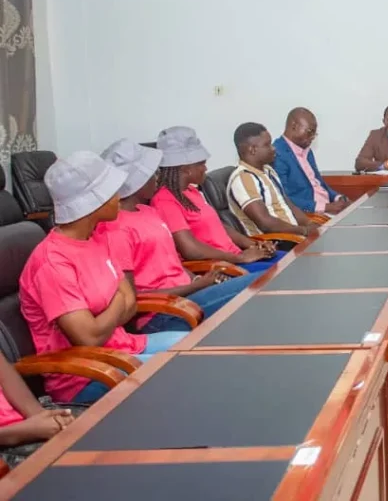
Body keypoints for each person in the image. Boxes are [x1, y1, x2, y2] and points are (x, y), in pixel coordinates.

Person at [18, 152, 189, 404]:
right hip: (86, 376)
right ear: (91, 202)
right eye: (112, 191)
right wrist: (118, 300)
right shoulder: (52, 262)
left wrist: (110, 311)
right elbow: (89, 337)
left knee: (202, 349)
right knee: (184, 371)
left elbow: (130, 305)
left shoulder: (97, 238)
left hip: (123, 348)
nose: (120, 196)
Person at [98, 139, 265, 333]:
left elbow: (173, 264)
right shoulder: (116, 229)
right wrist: (196, 286)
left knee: (263, 282)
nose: (157, 177)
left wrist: (197, 280)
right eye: (152, 173)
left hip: (187, 296)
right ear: (137, 182)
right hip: (163, 312)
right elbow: (132, 298)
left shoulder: (148, 211)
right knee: (260, 283)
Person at [150, 126, 283, 274]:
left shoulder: (192, 192)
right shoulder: (165, 201)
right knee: (281, 272)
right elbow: (191, 250)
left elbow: (220, 227)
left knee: (290, 261)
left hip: (236, 257)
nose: (205, 168)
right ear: (186, 169)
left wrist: (255, 245)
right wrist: (239, 258)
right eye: (201, 164)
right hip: (222, 266)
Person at [228, 122, 314, 238]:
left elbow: (288, 205)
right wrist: (304, 231)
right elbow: (265, 223)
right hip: (277, 242)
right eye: (267, 145)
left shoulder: (268, 170)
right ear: (252, 149)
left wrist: (311, 224)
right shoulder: (243, 179)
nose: (273, 148)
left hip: (295, 236)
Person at [0, 356, 78, 468]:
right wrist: (25, 431)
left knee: (89, 431)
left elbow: (5, 374)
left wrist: (40, 416)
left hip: (26, 420)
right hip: (7, 442)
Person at [273, 107, 349, 216]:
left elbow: (318, 184)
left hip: (326, 210)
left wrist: (338, 197)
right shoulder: (277, 153)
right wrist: (325, 207)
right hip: (307, 215)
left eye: (314, 133)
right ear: (294, 126)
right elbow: (282, 198)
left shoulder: (307, 151)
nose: (313, 137)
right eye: (310, 132)